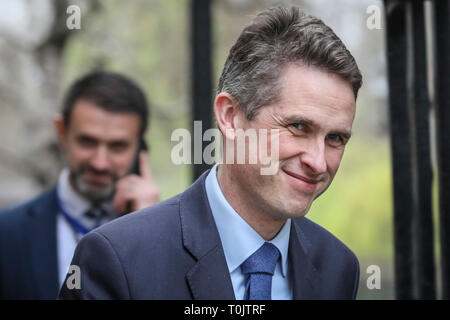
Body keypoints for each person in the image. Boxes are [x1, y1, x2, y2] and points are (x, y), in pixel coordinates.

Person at [59, 6, 362, 300]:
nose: (318, 161)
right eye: (298, 126)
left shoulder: (338, 268)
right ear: (230, 117)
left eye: (335, 138)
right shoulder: (117, 261)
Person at [0, 71, 160, 299]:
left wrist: (151, 228)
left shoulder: (167, 235)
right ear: (62, 132)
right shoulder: (7, 234)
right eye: (87, 141)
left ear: (139, 145)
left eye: (117, 146)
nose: (99, 163)